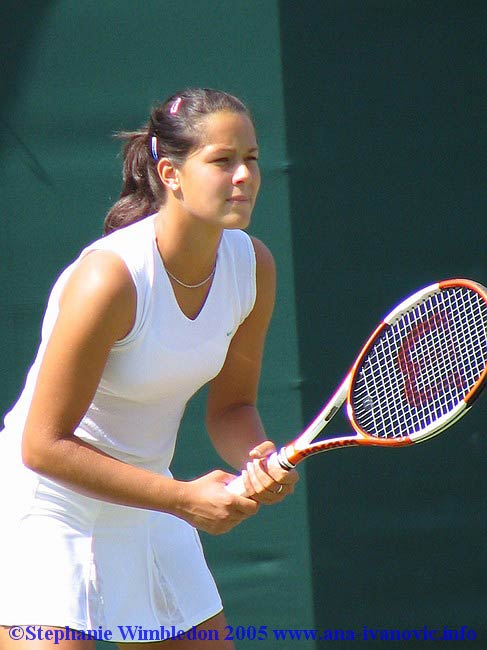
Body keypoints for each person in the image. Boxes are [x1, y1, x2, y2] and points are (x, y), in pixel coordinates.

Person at [0, 88, 298, 649]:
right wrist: (183, 499)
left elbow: (233, 408)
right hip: (50, 510)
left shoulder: (253, 266)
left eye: (252, 159)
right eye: (222, 160)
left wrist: (259, 459)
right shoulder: (110, 279)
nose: (244, 176)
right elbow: (42, 445)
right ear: (171, 173)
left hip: (151, 505)